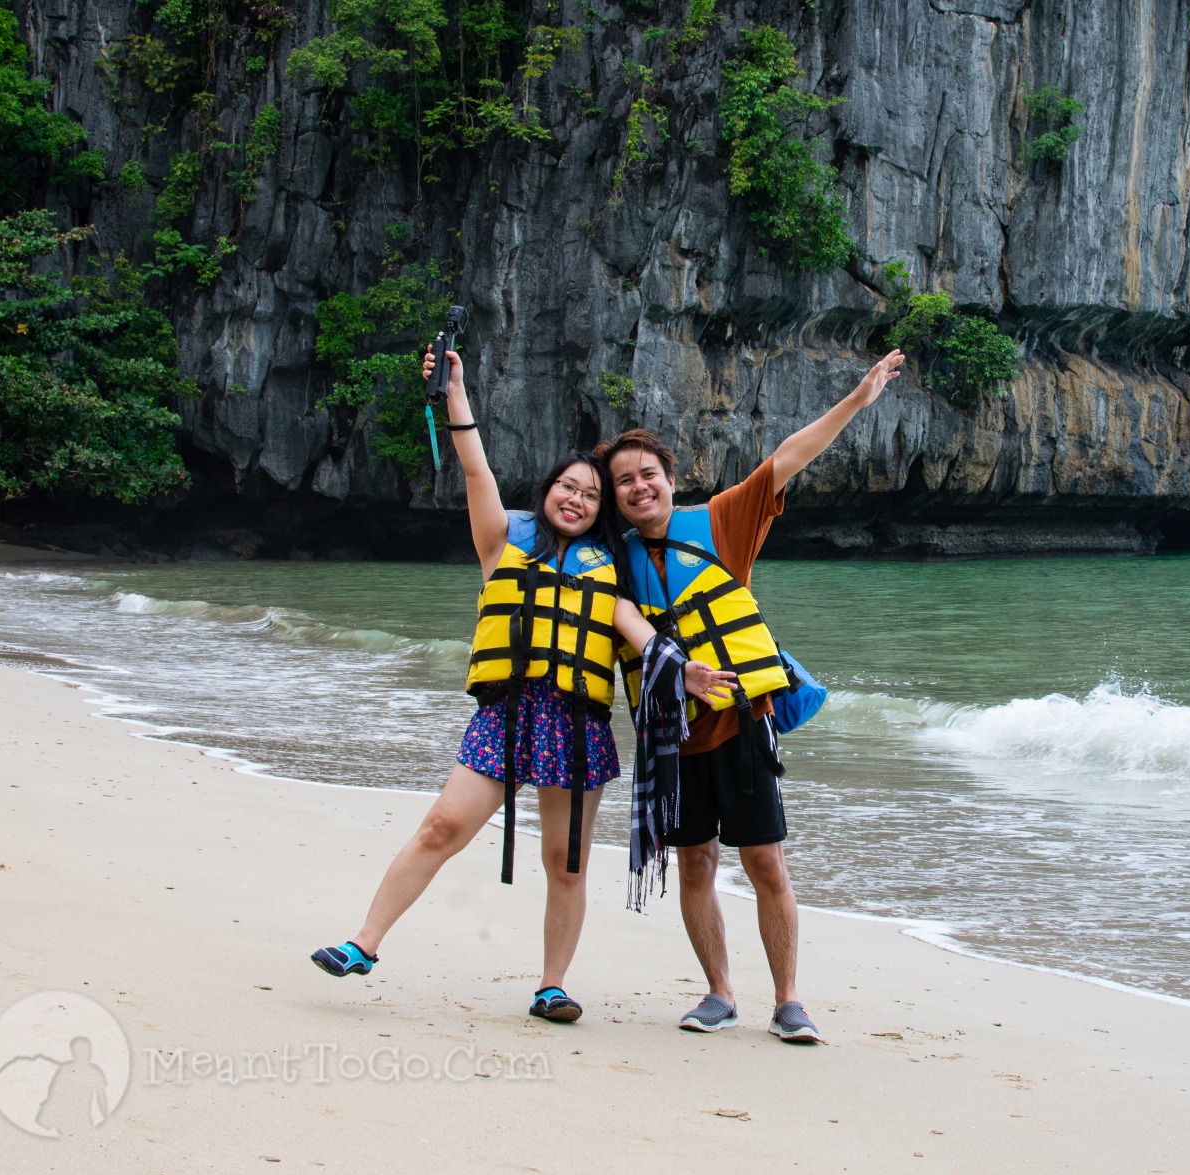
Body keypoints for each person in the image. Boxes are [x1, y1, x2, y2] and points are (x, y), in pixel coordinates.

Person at [311, 345, 732, 1023]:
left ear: (602, 514)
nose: (579, 498)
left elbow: (639, 631)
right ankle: (363, 943)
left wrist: (685, 671)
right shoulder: (502, 540)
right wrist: (455, 391)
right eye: (570, 487)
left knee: (565, 863)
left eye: (594, 496)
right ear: (548, 492)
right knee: (441, 827)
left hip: (576, 726)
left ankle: (552, 986)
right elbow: (474, 463)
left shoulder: (608, 570)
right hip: (505, 716)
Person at [600, 347, 906, 1043]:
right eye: (624, 482)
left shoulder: (720, 521)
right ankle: (718, 993)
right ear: (614, 496)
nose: (638, 488)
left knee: (764, 859)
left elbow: (789, 457)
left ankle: (789, 1000)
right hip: (672, 734)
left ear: (670, 478)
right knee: (695, 860)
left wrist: (858, 401)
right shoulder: (609, 558)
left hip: (741, 721)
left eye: (648, 474)